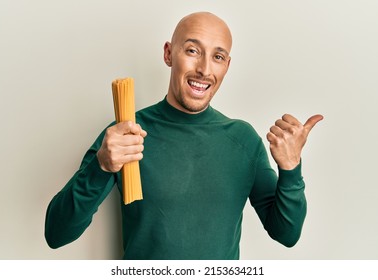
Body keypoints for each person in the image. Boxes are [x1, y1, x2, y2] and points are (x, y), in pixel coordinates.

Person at [45, 11, 323, 260]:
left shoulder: (243, 140)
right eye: (192, 50)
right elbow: (56, 234)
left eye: (217, 56)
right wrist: (101, 167)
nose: (204, 69)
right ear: (168, 53)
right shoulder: (126, 133)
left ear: (227, 65)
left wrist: (290, 170)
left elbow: (286, 235)